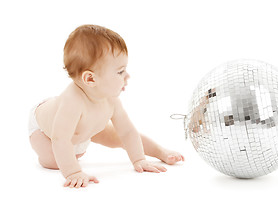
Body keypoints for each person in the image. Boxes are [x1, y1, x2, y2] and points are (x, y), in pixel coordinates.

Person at [28, 24, 184, 188]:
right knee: (54, 160)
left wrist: (139, 159)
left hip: (85, 125)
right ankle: (66, 153)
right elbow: (60, 139)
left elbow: (128, 132)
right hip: (45, 130)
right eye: (120, 71)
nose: (127, 76)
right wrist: (73, 171)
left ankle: (160, 151)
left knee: (118, 136)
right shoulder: (71, 102)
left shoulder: (110, 99)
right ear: (90, 79)